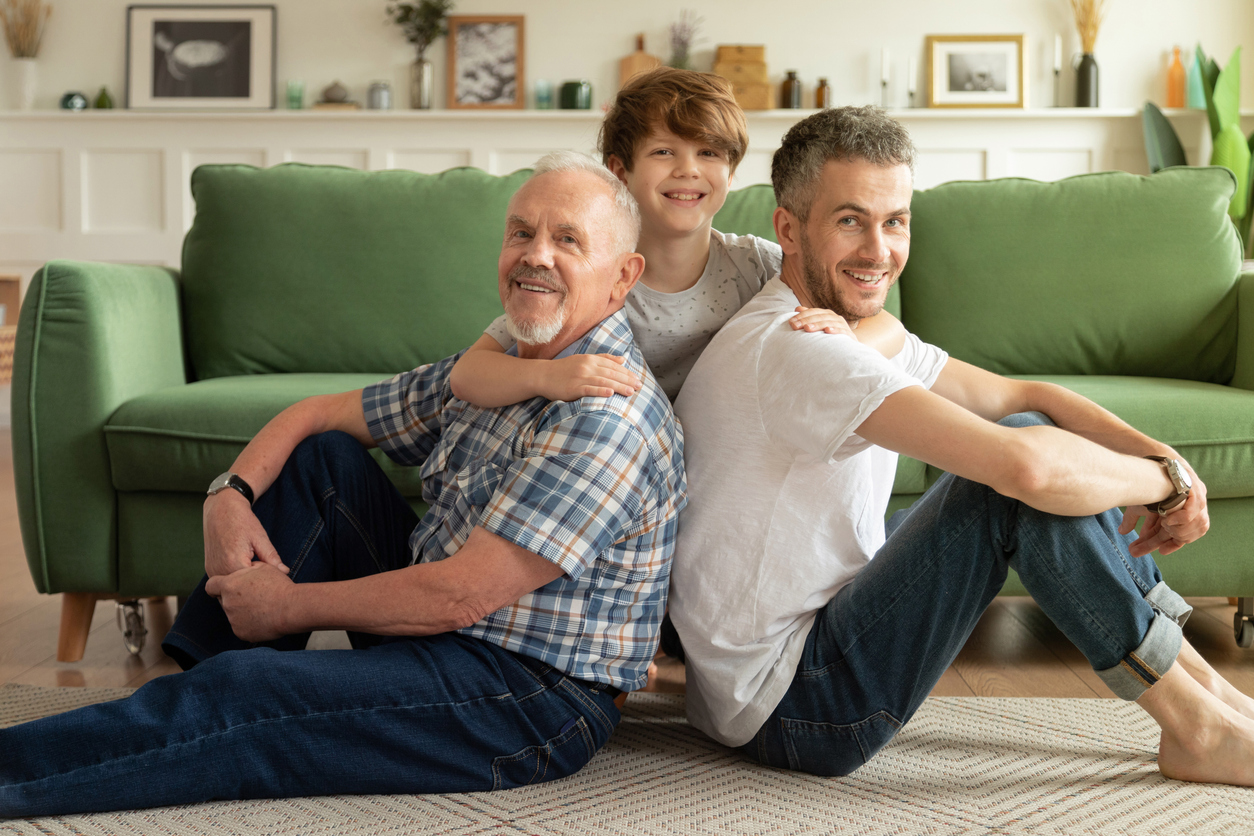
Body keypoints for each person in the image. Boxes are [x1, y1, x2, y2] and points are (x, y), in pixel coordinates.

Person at [0, 151, 687, 817]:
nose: (536, 255)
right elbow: (321, 413)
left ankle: (180, 718)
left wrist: (289, 607)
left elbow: (461, 594)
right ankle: (188, 704)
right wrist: (227, 496)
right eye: (521, 233)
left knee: (250, 693)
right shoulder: (507, 359)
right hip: (450, 628)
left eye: (568, 240)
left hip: (528, 696)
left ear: (623, 277)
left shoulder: (605, 415)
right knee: (324, 461)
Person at [669, 105, 1254, 786]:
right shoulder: (801, 349)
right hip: (795, 706)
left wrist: (1167, 460)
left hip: (787, 657)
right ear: (789, 230)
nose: (878, 251)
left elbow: (1024, 395)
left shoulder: (834, 327)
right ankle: (1198, 728)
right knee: (1014, 485)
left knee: (1034, 439)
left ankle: (1214, 698)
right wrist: (1163, 485)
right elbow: (1027, 468)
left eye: (895, 222)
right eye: (850, 220)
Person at [449, 68, 907, 407]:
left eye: (708, 152)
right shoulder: (594, 273)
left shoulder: (759, 266)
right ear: (619, 170)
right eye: (664, 151)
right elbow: (468, 374)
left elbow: (888, 327)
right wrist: (546, 378)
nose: (688, 170)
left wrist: (847, 342)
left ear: (731, 173)